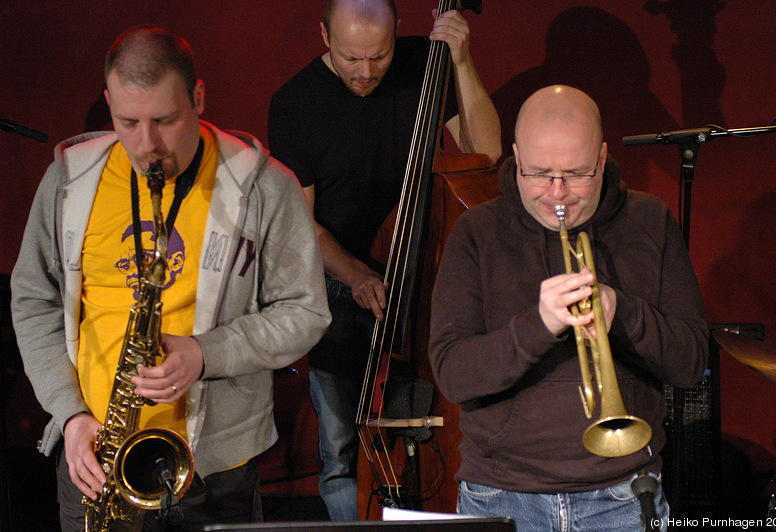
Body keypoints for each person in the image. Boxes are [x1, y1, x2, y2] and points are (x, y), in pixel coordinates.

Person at [11, 25, 330, 531]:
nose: (146, 145)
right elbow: (33, 301)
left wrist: (207, 353)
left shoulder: (264, 186)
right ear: (107, 102)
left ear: (199, 97)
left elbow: (305, 311)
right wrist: (69, 415)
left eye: (164, 119)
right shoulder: (69, 180)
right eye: (127, 121)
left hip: (213, 471)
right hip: (94, 455)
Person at [427, 85, 709, 531]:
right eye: (539, 173)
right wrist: (539, 325)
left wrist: (624, 313)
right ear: (516, 158)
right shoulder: (476, 232)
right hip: (501, 495)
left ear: (601, 159)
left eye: (577, 174)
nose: (558, 194)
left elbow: (691, 363)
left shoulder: (650, 220)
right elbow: (453, 374)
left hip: (623, 494)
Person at [267, 0, 501, 521]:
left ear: (398, 34)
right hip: (338, 284)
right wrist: (357, 275)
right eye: (353, 58)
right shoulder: (293, 104)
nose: (368, 72)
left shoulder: (426, 63)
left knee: (434, 427)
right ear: (324, 35)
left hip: (423, 286)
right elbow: (299, 223)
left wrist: (462, 63)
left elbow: (486, 153)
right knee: (342, 447)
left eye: (380, 56)